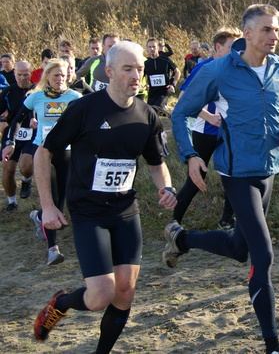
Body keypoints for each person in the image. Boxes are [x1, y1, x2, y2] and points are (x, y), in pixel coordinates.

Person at [168, 4, 279, 354]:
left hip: (269, 168)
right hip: (236, 172)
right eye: (266, 30)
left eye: (276, 29)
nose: (274, 36)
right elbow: (181, 113)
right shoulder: (219, 70)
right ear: (246, 34)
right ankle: (273, 344)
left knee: (238, 248)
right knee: (263, 256)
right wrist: (191, 155)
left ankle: (182, 239)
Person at [31, 41, 177, 353]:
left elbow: (156, 165)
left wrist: (166, 188)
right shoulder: (83, 109)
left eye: (139, 68)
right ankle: (60, 303)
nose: (136, 74)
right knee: (100, 296)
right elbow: (45, 153)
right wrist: (46, 205)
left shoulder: (147, 115)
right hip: (87, 212)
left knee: (125, 292)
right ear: (109, 72)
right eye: (128, 68)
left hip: (125, 211)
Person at [6, 59, 82, 264]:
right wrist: (10, 142)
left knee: (61, 200)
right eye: (56, 75)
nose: (60, 79)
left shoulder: (75, 97)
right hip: (44, 153)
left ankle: (38, 217)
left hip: (67, 153)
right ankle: (52, 249)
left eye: (64, 75)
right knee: (53, 199)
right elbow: (16, 120)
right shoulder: (36, 97)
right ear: (47, 76)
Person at [170, 27, 242, 238]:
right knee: (195, 178)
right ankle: (174, 222)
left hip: (229, 132)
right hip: (206, 130)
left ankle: (227, 220)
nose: (237, 52)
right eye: (231, 47)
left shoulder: (238, 67)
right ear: (217, 48)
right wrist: (209, 116)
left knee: (233, 174)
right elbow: (182, 101)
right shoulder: (205, 68)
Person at [0, 61, 36, 212]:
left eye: (26, 74)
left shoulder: (37, 90)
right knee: (8, 168)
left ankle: (26, 180)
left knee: (26, 166)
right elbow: (2, 114)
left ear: (31, 73)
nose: (22, 77)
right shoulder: (7, 92)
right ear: (14, 73)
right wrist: (2, 121)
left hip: (32, 133)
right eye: (19, 74)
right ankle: (11, 202)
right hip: (11, 133)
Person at [144, 37, 179, 112]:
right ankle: (169, 116)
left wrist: (173, 84)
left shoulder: (165, 60)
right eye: (150, 47)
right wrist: (145, 84)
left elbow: (177, 72)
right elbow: (140, 76)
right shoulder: (146, 63)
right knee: (149, 112)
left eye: (154, 46)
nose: (152, 49)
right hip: (152, 92)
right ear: (147, 48)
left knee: (157, 109)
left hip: (164, 90)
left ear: (158, 48)